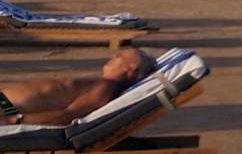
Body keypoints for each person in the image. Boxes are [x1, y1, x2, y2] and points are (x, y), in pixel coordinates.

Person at [0, 49, 156, 126]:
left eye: (120, 56)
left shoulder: (104, 88)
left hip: (8, 109)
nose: (114, 56)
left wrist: (13, 121)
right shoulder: (100, 84)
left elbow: (68, 116)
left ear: (130, 68)